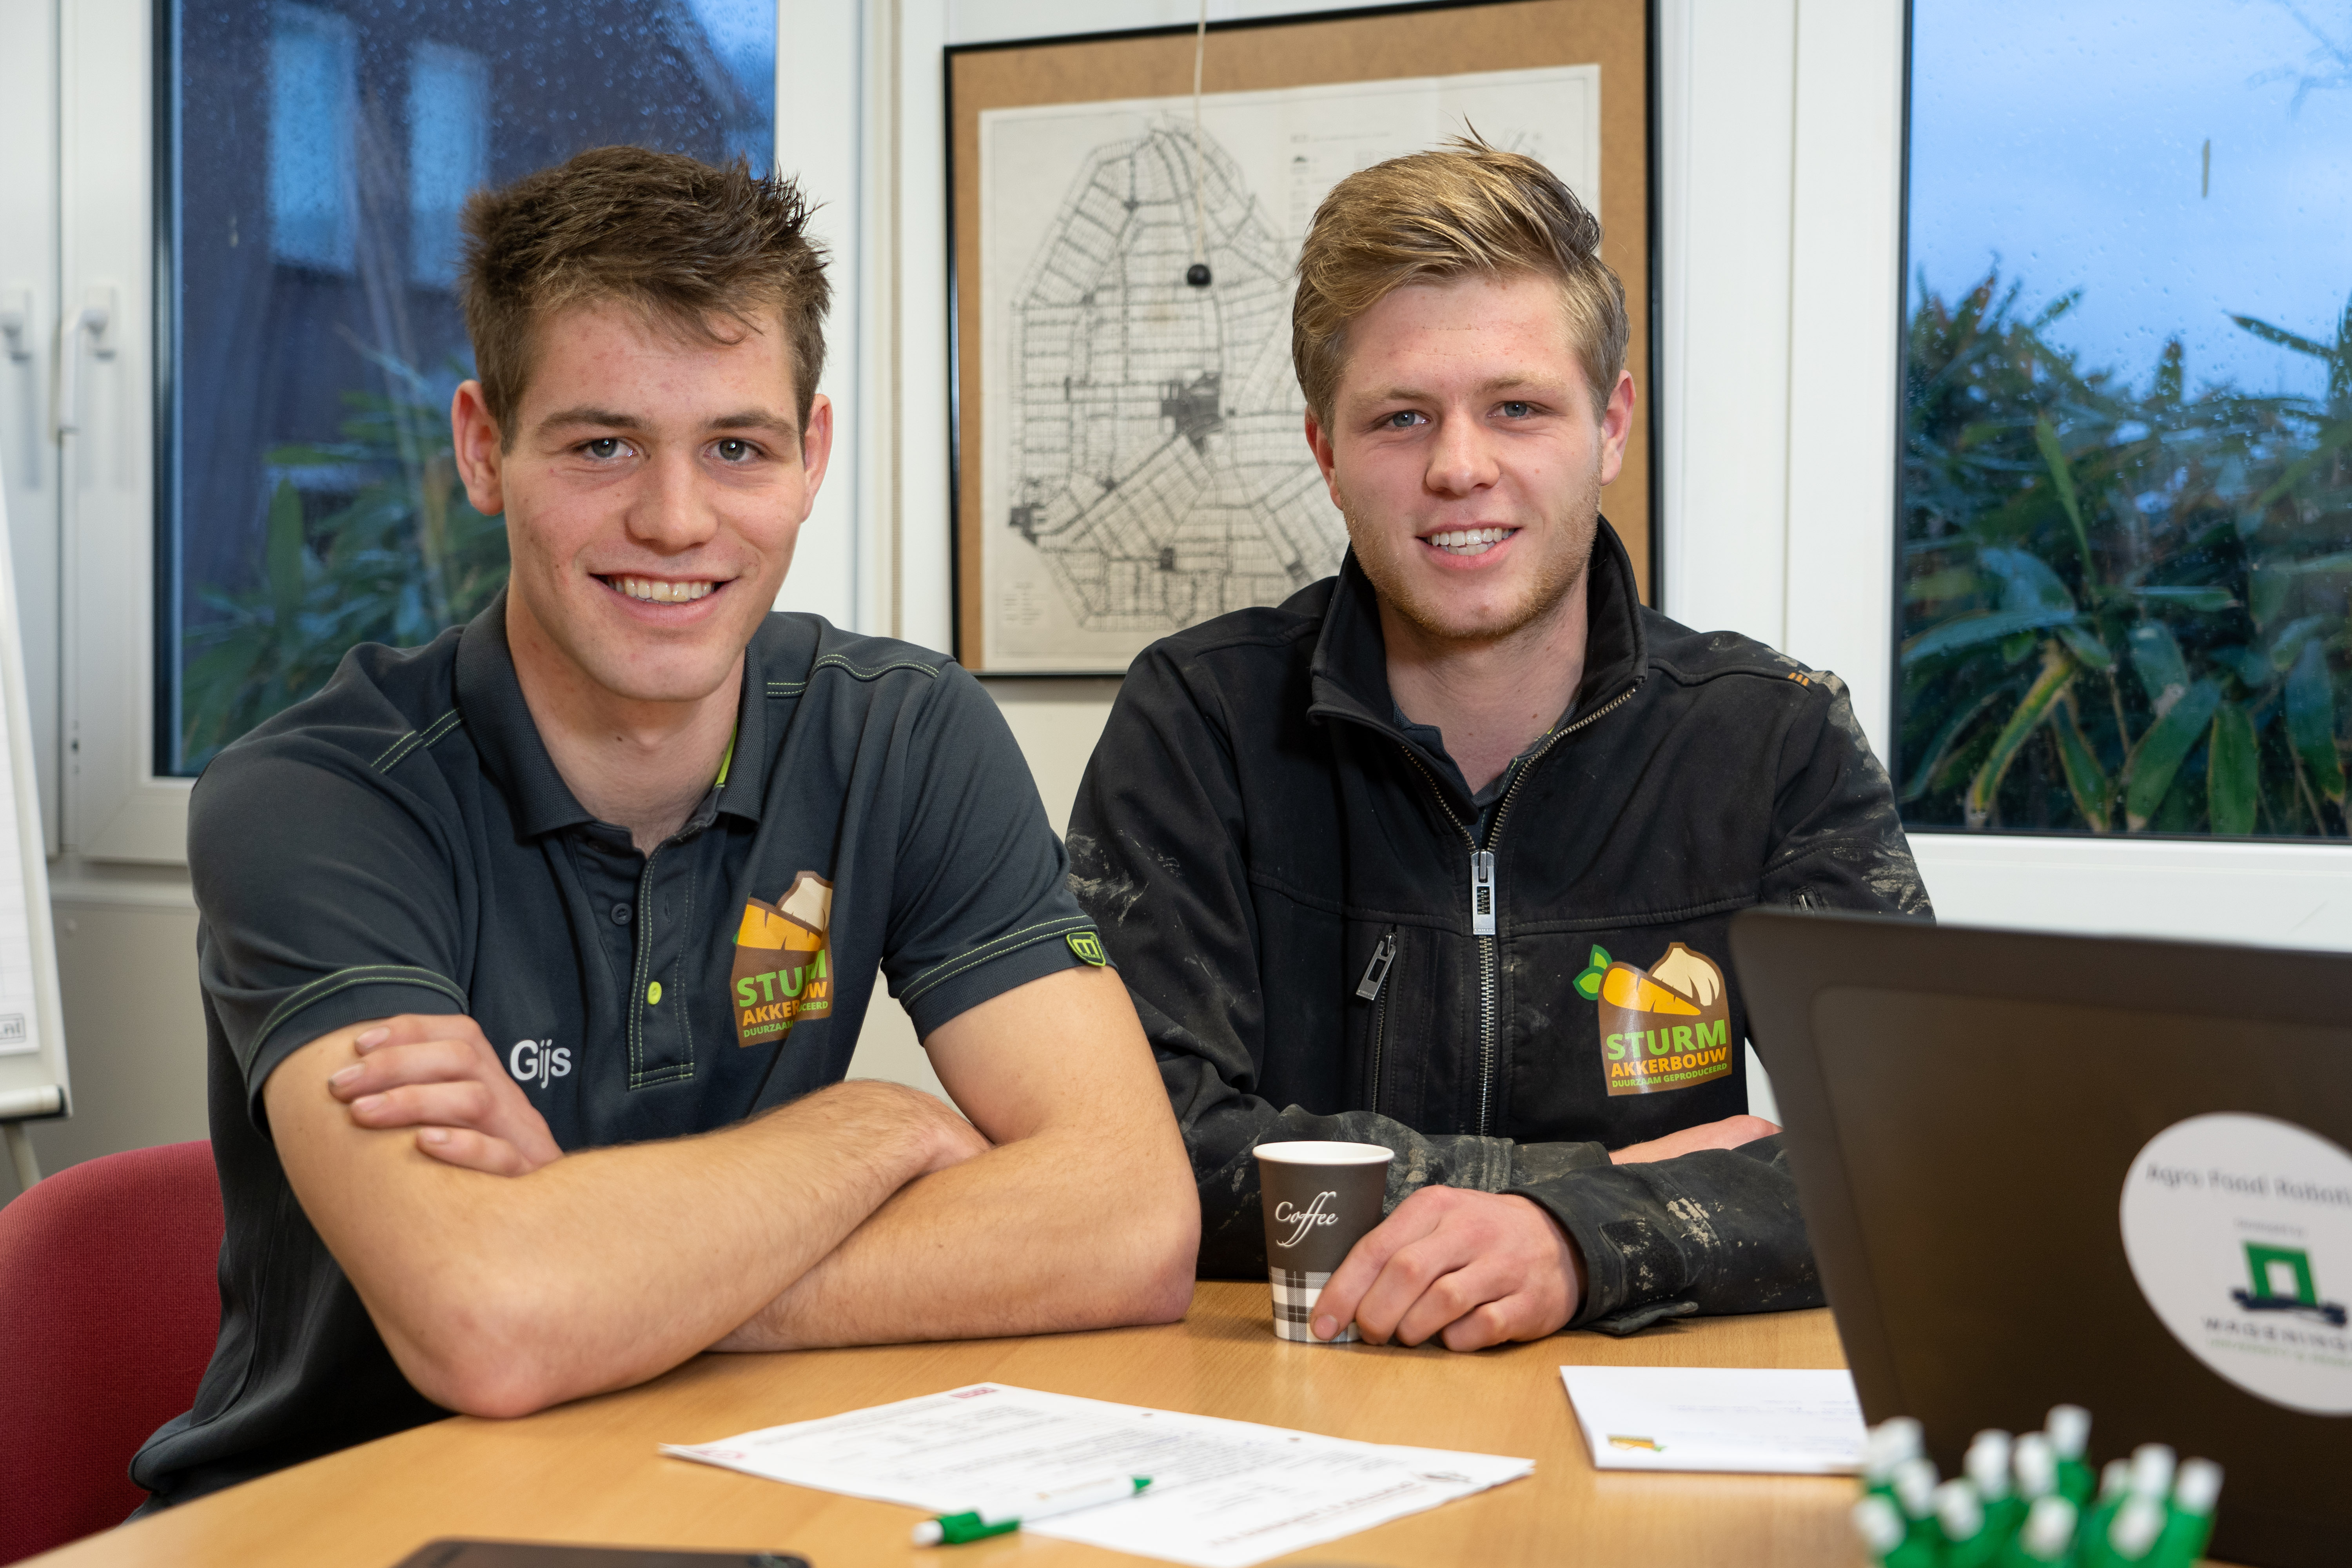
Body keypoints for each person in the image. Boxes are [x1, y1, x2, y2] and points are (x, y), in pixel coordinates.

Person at [133, 147, 1196, 1506]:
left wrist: (595, 1257)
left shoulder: (905, 734)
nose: (676, 519)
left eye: (737, 447)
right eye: (601, 445)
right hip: (334, 1519)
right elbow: (493, 1322)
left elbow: (1132, 1224)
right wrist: (869, 1134)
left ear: (811, 458)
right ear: (482, 449)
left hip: (700, 1484)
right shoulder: (319, 799)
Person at [1065, 136, 1929, 1354]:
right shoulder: (1196, 722)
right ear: (1324, 450)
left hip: (1644, 1420)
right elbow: (1138, 1151)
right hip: (1283, 1408)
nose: (1459, 468)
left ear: (1611, 425)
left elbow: (1910, 1153)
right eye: (1400, 418)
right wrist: (1578, 1194)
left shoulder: (1774, 734)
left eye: (1518, 409)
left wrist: (1582, 1249)